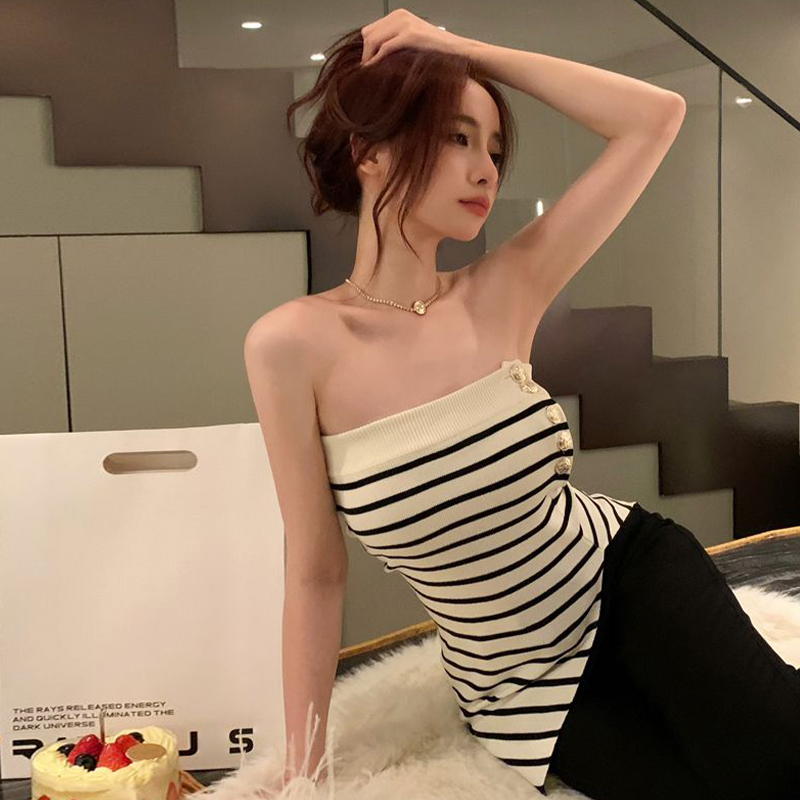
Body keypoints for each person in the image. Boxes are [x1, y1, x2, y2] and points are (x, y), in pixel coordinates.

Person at [244, 10, 800, 800]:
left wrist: (459, 48)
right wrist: (302, 773)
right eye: (457, 138)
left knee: (777, 764)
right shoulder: (291, 344)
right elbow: (315, 572)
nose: (486, 171)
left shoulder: (504, 289)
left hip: (632, 581)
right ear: (369, 153)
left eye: (496, 149)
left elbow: (655, 117)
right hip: (518, 689)